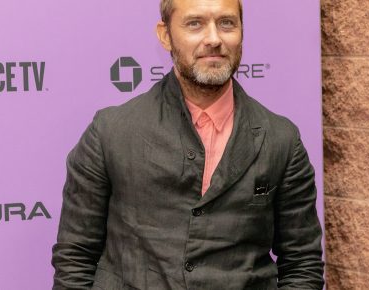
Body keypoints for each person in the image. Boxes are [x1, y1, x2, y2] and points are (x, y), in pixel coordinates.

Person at [52, 0, 325, 289]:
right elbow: (75, 258)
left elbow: (302, 263)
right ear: (165, 35)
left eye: (227, 23)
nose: (214, 39)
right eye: (195, 23)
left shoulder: (281, 139)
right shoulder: (109, 132)